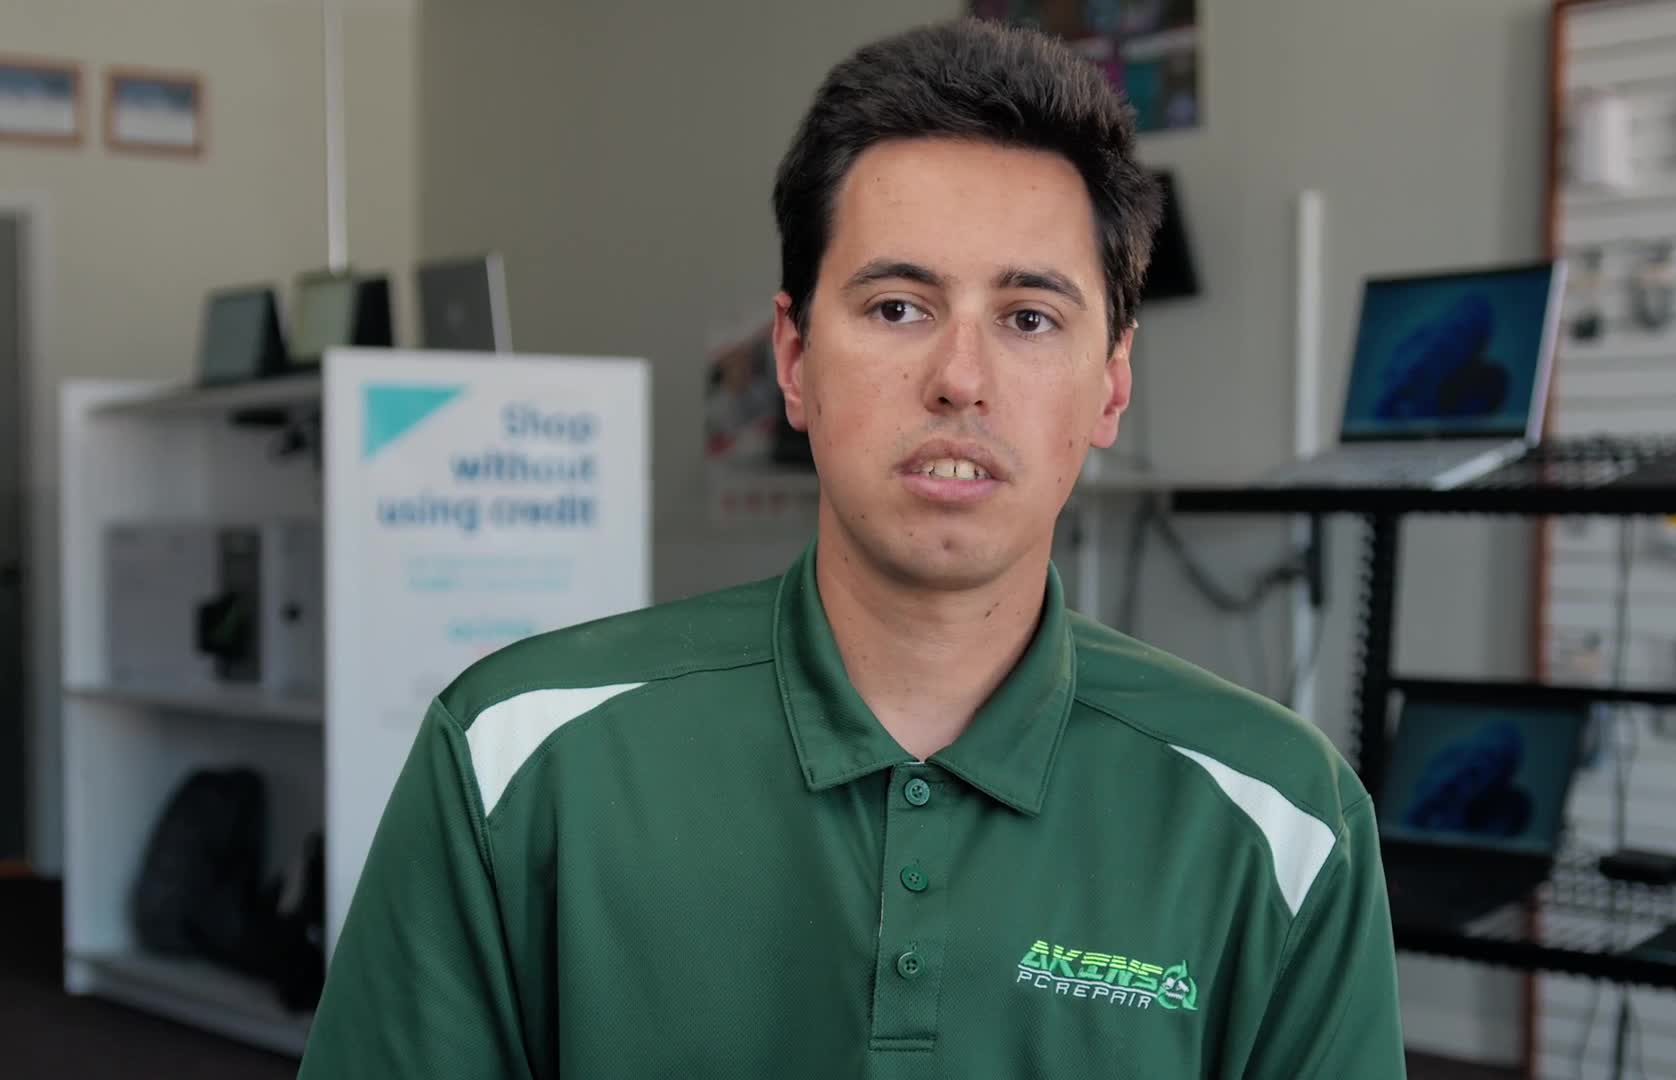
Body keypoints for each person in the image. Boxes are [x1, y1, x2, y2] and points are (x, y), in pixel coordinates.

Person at [299, 16, 1404, 1079]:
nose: (959, 379)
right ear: (792, 359)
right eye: (897, 308)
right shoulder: (516, 754)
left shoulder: (1285, 820)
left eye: (1028, 318)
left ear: (1110, 383)